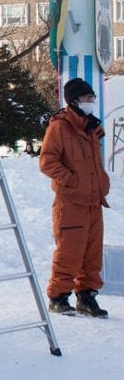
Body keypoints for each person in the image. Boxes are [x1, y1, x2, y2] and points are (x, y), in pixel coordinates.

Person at [39, 77, 111, 318]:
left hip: (93, 202)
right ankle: (58, 296)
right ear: (75, 100)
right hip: (71, 202)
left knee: (92, 254)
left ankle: (87, 296)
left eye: (93, 97)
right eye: (88, 98)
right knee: (70, 251)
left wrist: (102, 182)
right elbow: (47, 161)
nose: (92, 101)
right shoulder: (59, 127)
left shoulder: (90, 127)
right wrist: (71, 180)